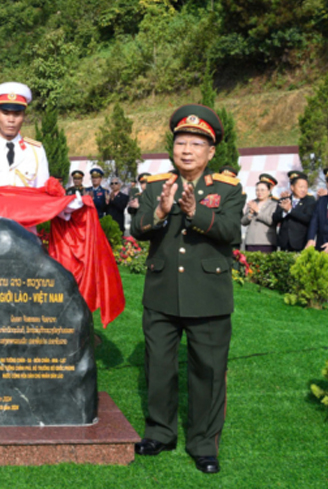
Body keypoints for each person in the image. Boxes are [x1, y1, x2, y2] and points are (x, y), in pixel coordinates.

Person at [131, 104, 242, 475]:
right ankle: (160, 433)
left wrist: (197, 214)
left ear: (211, 152)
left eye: (196, 144)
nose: (187, 150)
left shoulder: (226, 188)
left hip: (208, 293)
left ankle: (203, 444)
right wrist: (160, 213)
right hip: (162, 291)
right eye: (181, 142)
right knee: (159, 368)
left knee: (208, 371)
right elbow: (137, 229)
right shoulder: (155, 185)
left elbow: (230, 232)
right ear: (173, 146)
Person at [275, 171, 316, 252]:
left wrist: (290, 210)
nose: (303, 190)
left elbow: (308, 218)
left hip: (300, 243)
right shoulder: (284, 199)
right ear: (292, 187)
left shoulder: (310, 201)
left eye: (305, 187)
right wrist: (284, 212)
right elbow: (275, 218)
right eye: (301, 187)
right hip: (284, 243)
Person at [241, 180, 279, 252]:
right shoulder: (252, 203)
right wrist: (250, 214)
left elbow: (271, 221)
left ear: (269, 191)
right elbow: (243, 222)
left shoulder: (274, 205)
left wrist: (257, 210)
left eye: (262, 190)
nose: (259, 192)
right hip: (251, 241)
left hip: (266, 242)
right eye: (257, 190)